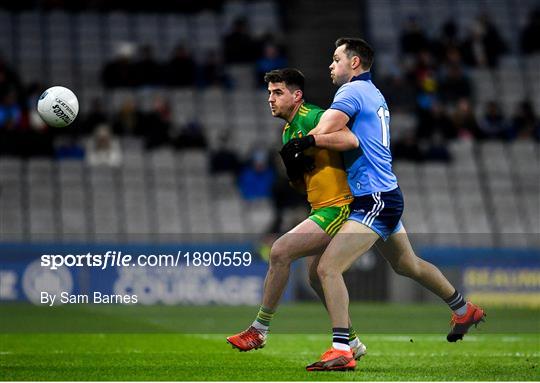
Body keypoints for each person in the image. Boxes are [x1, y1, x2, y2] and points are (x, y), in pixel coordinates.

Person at [283, 38, 486, 372]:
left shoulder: (349, 92)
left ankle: (342, 349)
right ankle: (464, 309)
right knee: (407, 264)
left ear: (355, 63)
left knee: (326, 269)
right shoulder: (374, 93)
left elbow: (327, 127)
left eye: (336, 59)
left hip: (373, 199)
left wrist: (303, 141)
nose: (331, 66)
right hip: (384, 194)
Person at [226, 68, 366, 360]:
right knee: (317, 278)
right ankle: (351, 342)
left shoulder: (315, 117)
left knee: (280, 251)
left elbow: (351, 140)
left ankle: (259, 330)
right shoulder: (289, 130)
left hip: (340, 206)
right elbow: (304, 186)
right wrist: (293, 171)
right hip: (321, 207)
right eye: (269, 93)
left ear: (296, 95)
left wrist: (310, 142)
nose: (271, 99)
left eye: (277, 92)